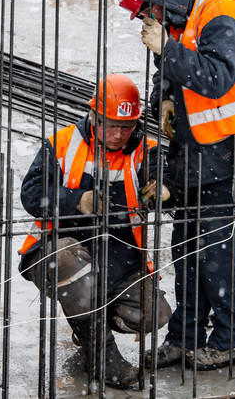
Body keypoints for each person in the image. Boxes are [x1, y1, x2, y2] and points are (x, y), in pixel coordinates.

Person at [112, 0, 235, 371]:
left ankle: (232, 338)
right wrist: (164, 94)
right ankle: (184, 337)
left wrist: (166, 48)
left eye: (151, 10)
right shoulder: (177, 18)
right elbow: (171, 74)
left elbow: (216, 77)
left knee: (217, 252)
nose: (150, 17)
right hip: (200, 147)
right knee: (187, 249)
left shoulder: (221, 12)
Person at [18, 74, 172, 389]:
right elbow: (31, 195)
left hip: (117, 257)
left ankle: (87, 324)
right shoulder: (62, 144)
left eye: (126, 127)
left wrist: (164, 189)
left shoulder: (148, 150)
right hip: (57, 251)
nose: (118, 134)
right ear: (93, 115)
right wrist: (76, 200)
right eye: (110, 125)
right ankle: (101, 357)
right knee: (72, 269)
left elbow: (165, 182)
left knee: (152, 314)